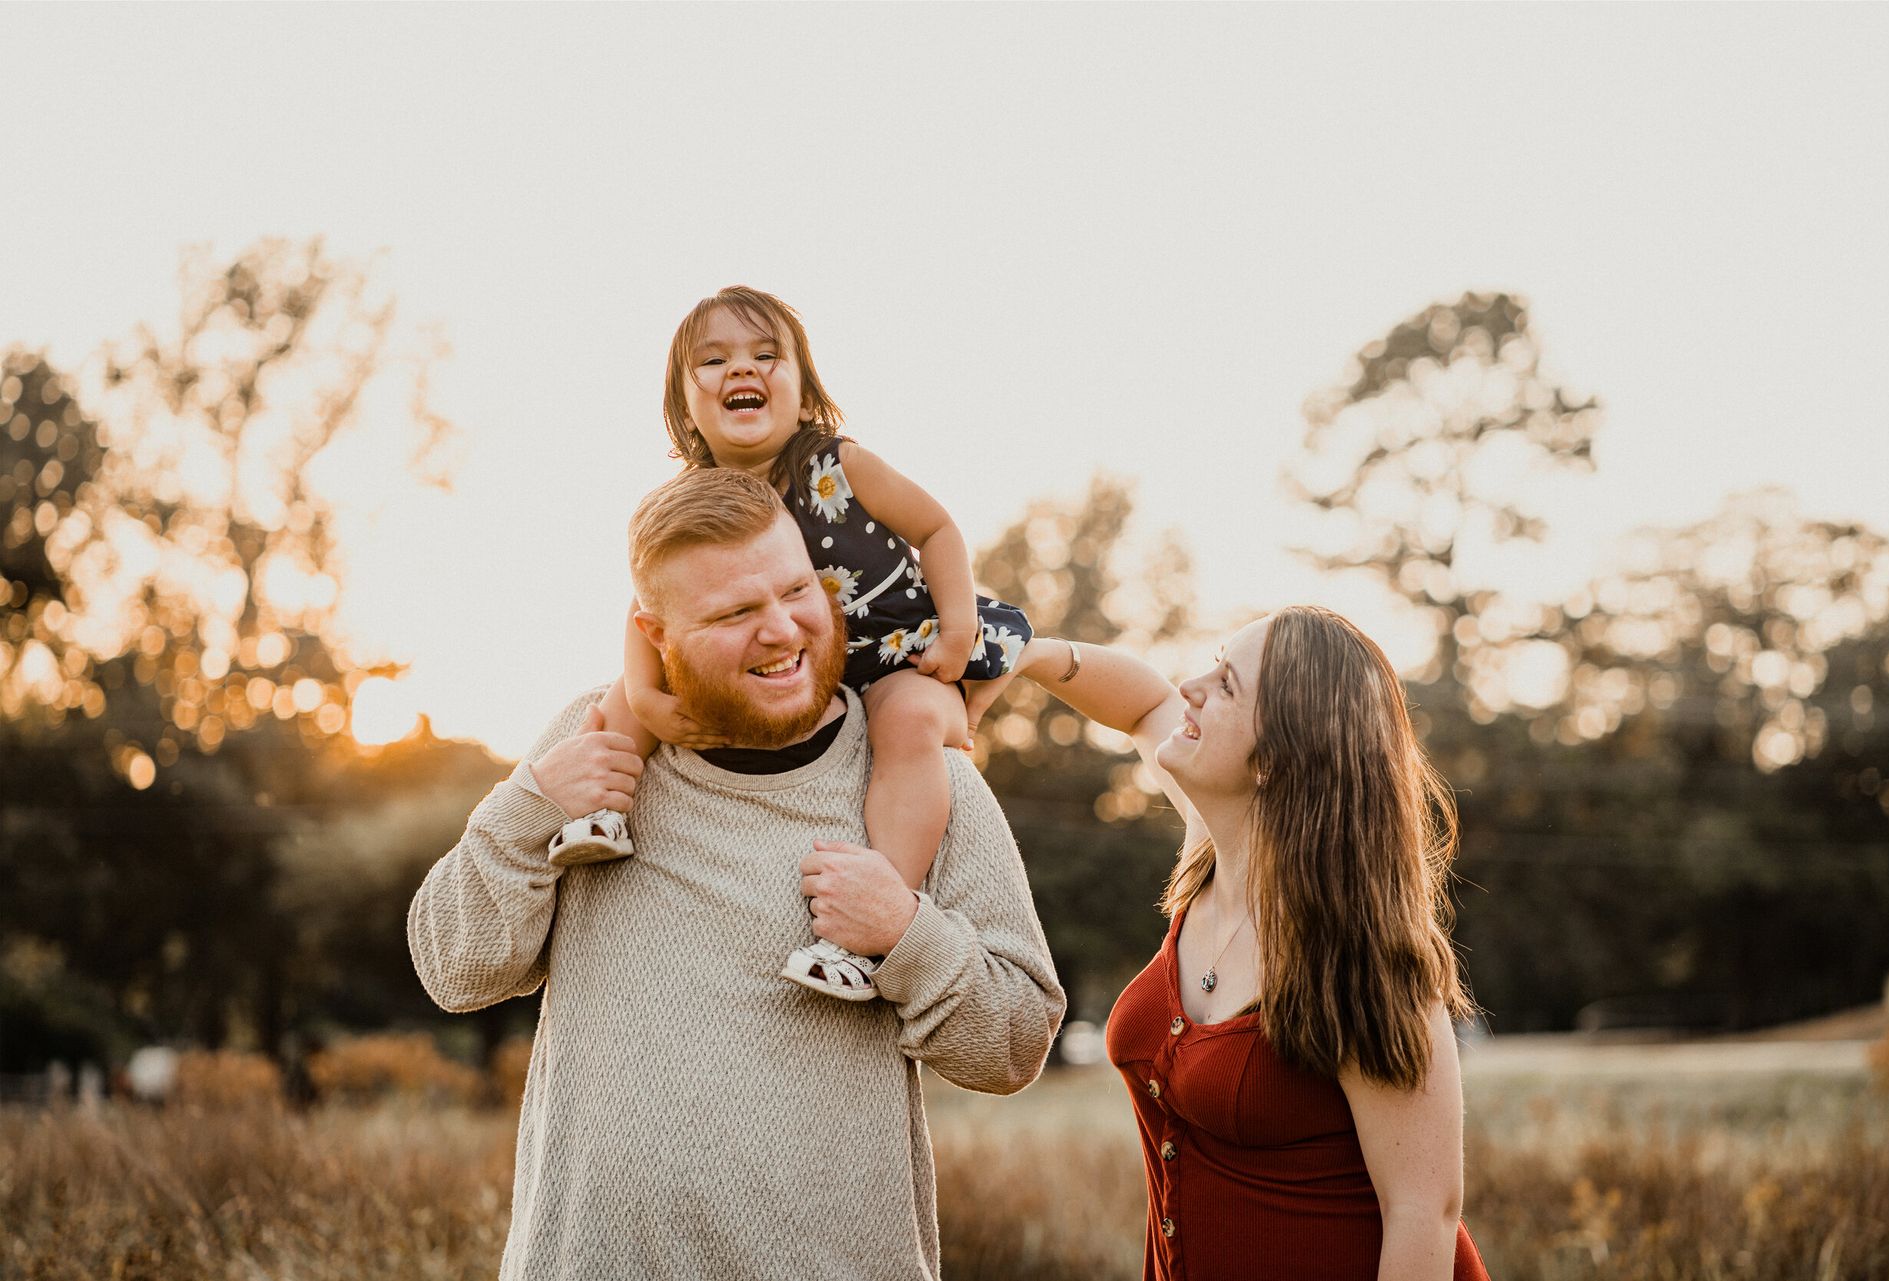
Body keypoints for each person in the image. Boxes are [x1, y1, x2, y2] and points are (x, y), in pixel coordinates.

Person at [407, 467, 1063, 1280]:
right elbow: (455, 971)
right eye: (735, 612)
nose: (783, 630)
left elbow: (1015, 1044)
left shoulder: (927, 781)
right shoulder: (592, 744)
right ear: (655, 635)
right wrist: (530, 804)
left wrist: (907, 933)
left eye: (797, 591)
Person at [547, 285, 1033, 1005]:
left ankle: (867, 924)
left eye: (765, 355)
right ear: (687, 405)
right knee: (626, 693)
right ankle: (604, 811)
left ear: (804, 391)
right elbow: (650, 605)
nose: (742, 368)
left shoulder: (840, 464)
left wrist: (959, 626)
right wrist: (647, 694)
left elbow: (937, 530)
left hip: (894, 645)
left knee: (907, 726)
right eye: (714, 360)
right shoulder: (694, 496)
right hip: (784, 659)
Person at [1015, 610, 1492, 1280]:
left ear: (1276, 760)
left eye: (1227, 684)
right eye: (1210, 664)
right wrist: (1025, 652)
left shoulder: (1365, 954)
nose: (1192, 684)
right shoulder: (1204, 863)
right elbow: (1144, 700)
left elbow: (1423, 1211)